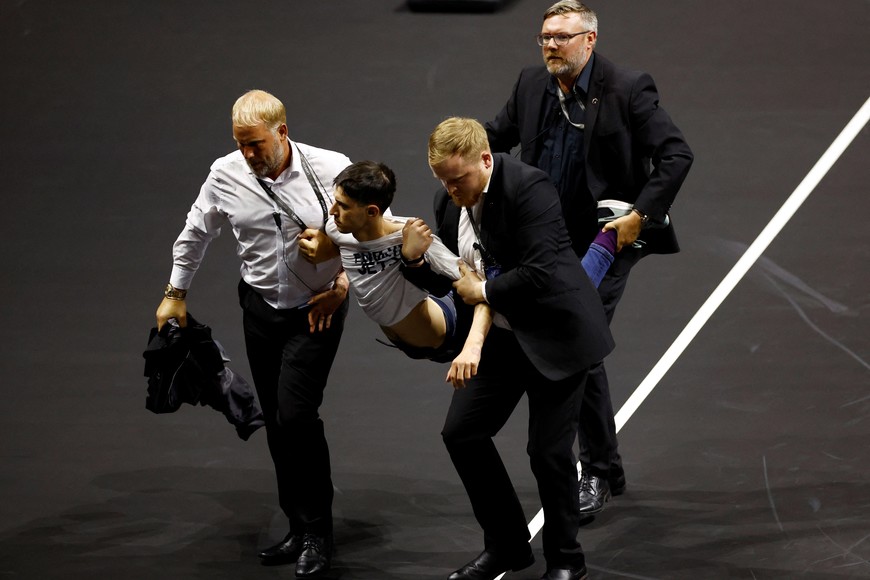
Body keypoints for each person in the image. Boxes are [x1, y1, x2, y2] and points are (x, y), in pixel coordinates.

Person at [485, 0, 694, 516]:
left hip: (606, 237)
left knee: (579, 342)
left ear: (590, 40)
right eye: (545, 37)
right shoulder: (530, 84)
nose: (551, 46)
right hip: (545, 238)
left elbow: (676, 154)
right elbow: (495, 137)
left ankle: (596, 470)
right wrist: (458, 148)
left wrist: (638, 217)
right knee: (581, 346)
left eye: (561, 37)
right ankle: (609, 468)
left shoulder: (627, 87)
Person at [404, 117, 614, 580]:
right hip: (502, 335)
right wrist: (415, 258)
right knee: (461, 433)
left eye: (458, 179)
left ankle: (565, 560)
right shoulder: (449, 200)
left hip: (557, 335)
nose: (450, 189)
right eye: (442, 179)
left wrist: (484, 293)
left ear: (485, 159)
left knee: (547, 452)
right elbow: (452, 278)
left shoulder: (529, 188)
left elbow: (540, 272)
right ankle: (506, 547)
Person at [155, 89, 351, 577]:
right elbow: (196, 232)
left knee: (297, 414)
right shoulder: (225, 174)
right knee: (278, 423)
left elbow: (379, 231)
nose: (248, 155)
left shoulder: (331, 170)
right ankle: (299, 526)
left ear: (282, 132)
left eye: (256, 145)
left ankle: (319, 534)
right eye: (240, 144)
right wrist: (175, 292)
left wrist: (342, 279)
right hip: (261, 310)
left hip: (317, 311)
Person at [322, 159, 493, 388]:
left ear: (372, 211)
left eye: (342, 206)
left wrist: (473, 346)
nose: (332, 211)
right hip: (408, 343)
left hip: (449, 332)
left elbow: (482, 290)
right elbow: (328, 247)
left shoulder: (412, 236)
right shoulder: (336, 228)